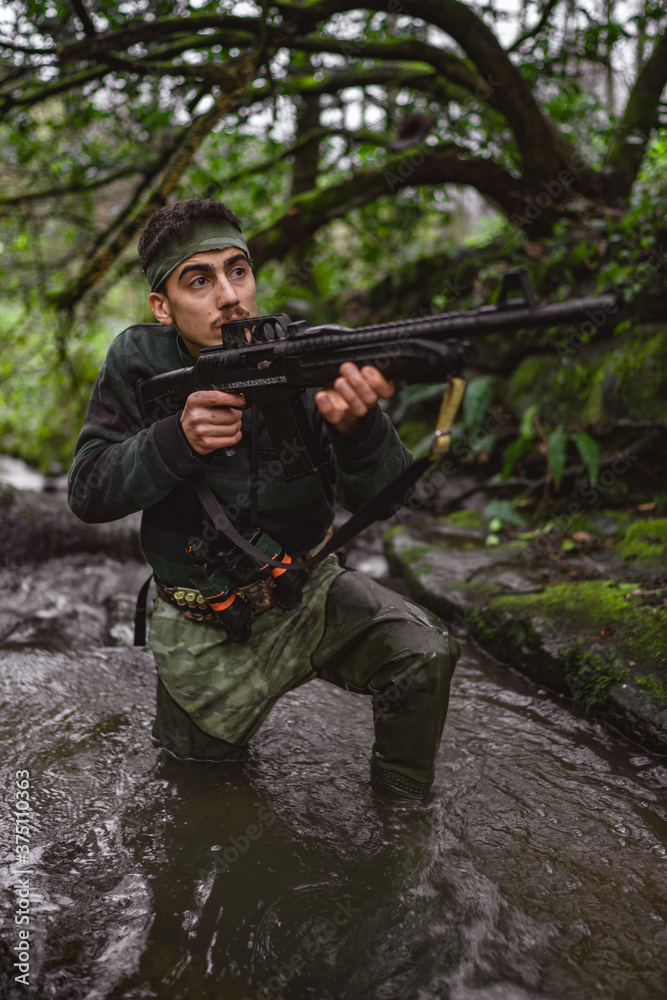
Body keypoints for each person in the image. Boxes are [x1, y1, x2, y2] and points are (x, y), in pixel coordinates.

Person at [68, 197, 460, 800]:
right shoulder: (136, 362)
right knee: (196, 794)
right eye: (198, 280)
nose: (229, 295)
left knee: (423, 654)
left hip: (308, 591)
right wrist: (175, 440)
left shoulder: (299, 359)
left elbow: (385, 497)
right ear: (162, 306)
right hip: (202, 622)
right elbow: (88, 493)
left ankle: (401, 825)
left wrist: (360, 430)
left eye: (238, 270)